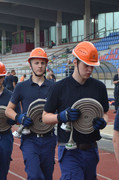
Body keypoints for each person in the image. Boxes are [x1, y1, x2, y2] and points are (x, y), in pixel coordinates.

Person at [42, 41, 109, 179]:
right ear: (75, 62)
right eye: (86, 65)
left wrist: (103, 122)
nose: (89, 70)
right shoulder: (58, 88)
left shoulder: (99, 87)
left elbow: (105, 113)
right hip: (68, 149)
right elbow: (45, 117)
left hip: (91, 149)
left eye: (92, 66)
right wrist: (61, 116)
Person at [5, 47, 56, 180]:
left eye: (42, 63)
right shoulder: (21, 87)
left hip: (49, 138)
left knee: (47, 176)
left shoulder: (53, 87)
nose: (40, 66)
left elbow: (59, 110)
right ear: (30, 65)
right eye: (36, 63)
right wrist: (19, 117)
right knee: (34, 175)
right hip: (30, 138)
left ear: (46, 65)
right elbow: (8, 110)